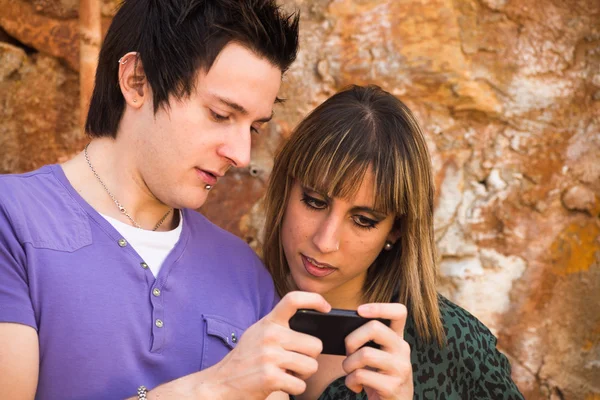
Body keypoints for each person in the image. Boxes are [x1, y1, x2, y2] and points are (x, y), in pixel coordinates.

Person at [0, 1, 333, 399]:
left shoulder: (246, 274)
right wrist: (214, 388)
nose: (241, 155)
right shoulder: (13, 222)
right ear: (137, 81)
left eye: (254, 128)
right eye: (220, 114)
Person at [262, 85, 525, 399]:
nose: (326, 241)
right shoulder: (224, 309)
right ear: (287, 188)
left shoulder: (453, 344)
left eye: (363, 220)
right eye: (315, 201)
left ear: (396, 229)